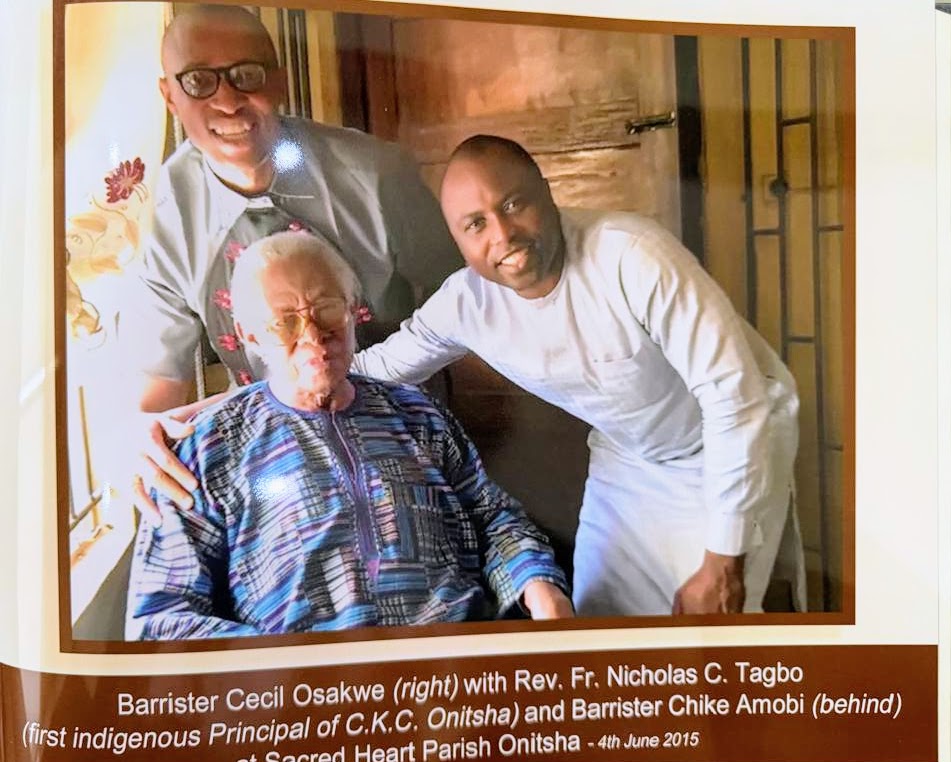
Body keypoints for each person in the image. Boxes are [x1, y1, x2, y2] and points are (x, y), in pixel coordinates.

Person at [352, 135, 805, 618]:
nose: (502, 234)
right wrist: (276, 374)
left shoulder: (632, 255)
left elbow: (734, 397)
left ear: (547, 193)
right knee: (598, 620)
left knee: (704, 634)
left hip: (724, 441)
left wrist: (723, 563)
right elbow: (380, 368)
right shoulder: (465, 303)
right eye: (476, 224)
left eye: (513, 203)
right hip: (628, 457)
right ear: (458, 241)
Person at [125, 231, 572, 640]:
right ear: (248, 334)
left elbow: (493, 518)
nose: (314, 335)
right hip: (306, 698)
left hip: (450, 665)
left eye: (327, 309)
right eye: (285, 322)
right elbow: (161, 616)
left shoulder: (416, 414)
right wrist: (285, 666)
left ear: (352, 308)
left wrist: (536, 582)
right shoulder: (208, 448)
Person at [126, 5, 460, 505]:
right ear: (168, 95)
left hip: (403, 438)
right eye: (199, 80)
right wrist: (150, 442)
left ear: (279, 81)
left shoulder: (378, 176)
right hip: (275, 463)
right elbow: (161, 385)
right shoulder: (168, 211)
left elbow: (463, 299)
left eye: (247, 75)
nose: (229, 101)